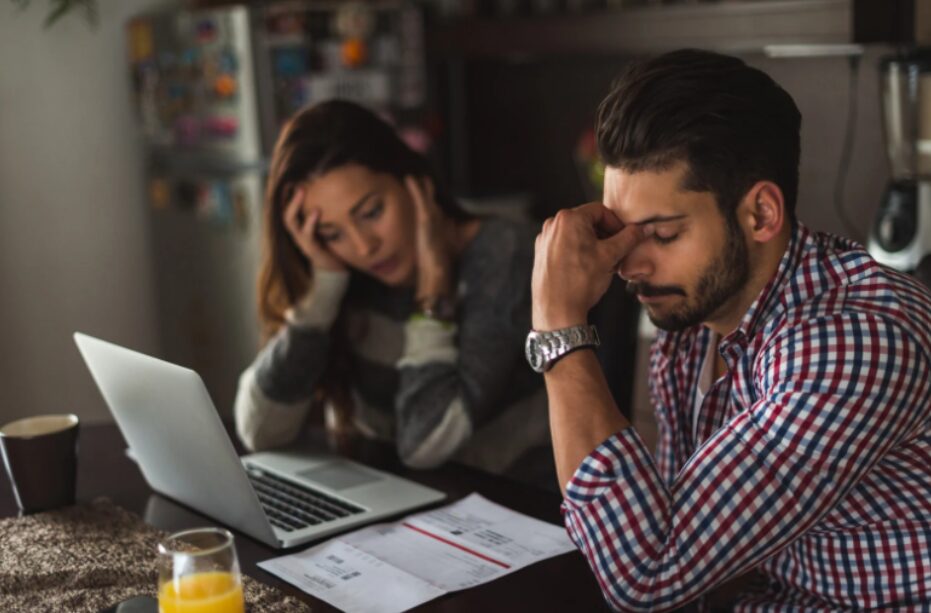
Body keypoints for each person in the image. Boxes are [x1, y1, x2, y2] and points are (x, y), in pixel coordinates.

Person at [529, 49, 931, 611]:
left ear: (761, 215)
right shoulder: (690, 320)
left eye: (663, 234)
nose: (629, 266)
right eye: (622, 231)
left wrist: (559, 329)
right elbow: (668, 526)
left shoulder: (850, 342)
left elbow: (649, 573)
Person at [234, 100, 549, 481]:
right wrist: (323, 292)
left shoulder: (503, 256)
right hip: (393, 503)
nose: (363, 247)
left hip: (506, 509)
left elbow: (424, 444)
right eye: (332, 233)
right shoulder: (347, 273)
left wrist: (433, 292)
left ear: (413, 179)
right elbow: (259, 430)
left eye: (371, 212)